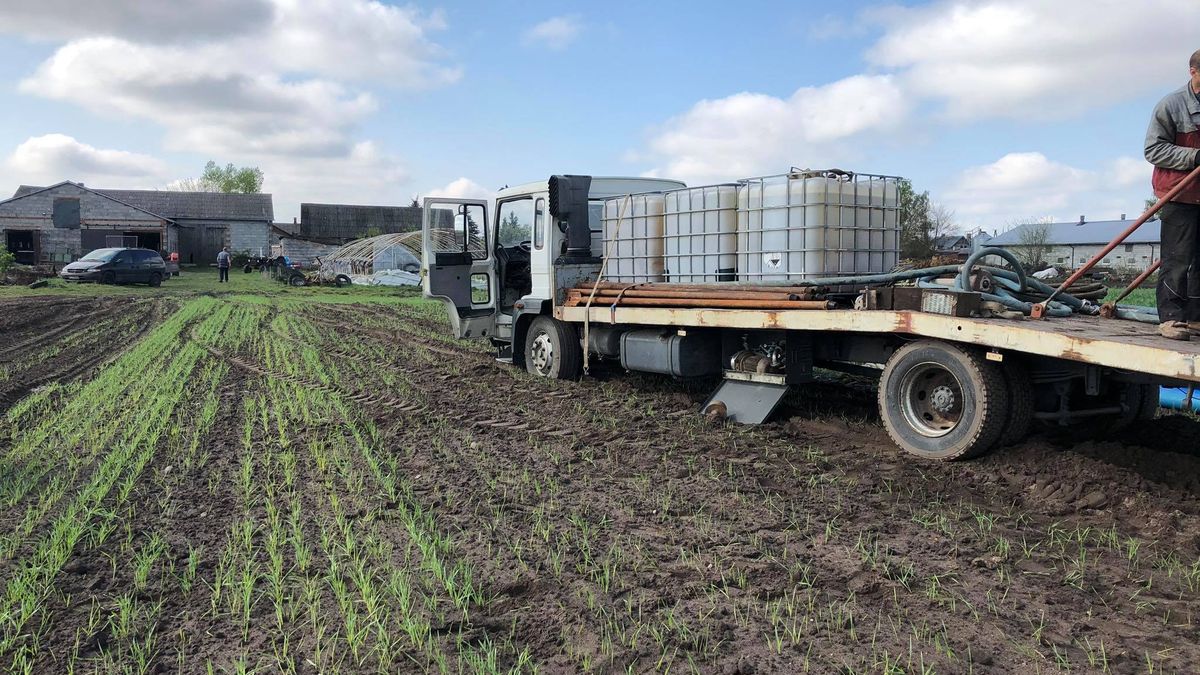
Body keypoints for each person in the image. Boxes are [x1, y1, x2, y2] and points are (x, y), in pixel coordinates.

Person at [1145, 49, 1200, 341]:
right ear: (1193, 72)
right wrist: (1195, 156)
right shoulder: (1171, 105)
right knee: (1177, 259)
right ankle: (1171, 319)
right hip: (1180, 194)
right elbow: (1153, 149)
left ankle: (1196, 319)